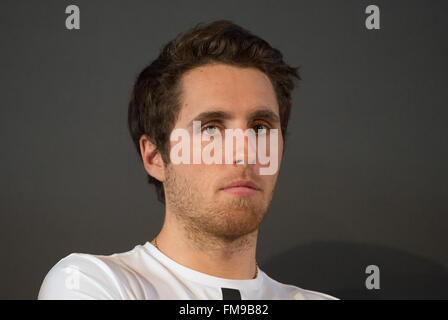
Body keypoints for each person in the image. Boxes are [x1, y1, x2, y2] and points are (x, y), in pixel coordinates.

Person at [38, 19, 338, 300]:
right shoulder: (93, 283)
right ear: (155, 156)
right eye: (211, 128)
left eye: (260, 128)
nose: (245, 151)